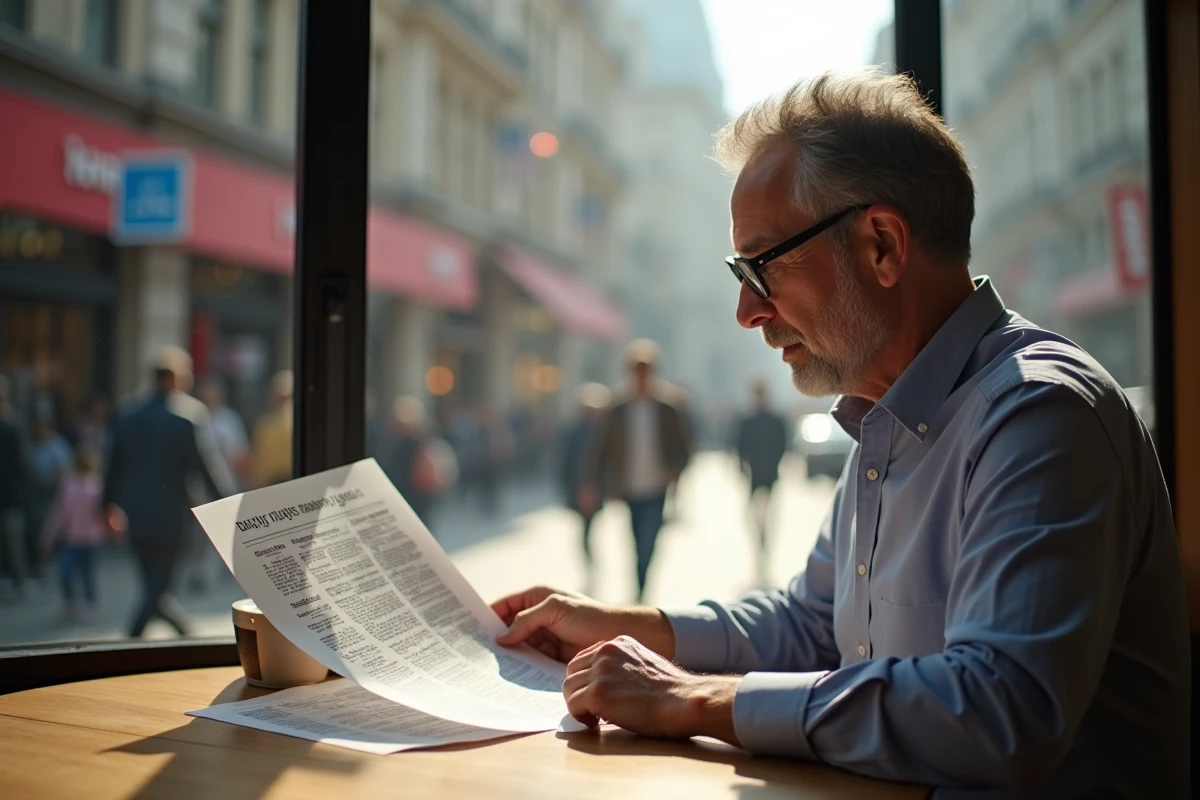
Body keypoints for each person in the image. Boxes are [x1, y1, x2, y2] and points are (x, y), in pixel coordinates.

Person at [491, 70, 1190, 797]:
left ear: (882, 245)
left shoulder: (1038, 414)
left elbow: (999, 710)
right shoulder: (890, 417)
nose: (747, 311)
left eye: (763, 265)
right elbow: (814, 626)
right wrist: (619, 626)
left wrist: (687, 698)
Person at [104, 347, 235, 637]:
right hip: (172, 516)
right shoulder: (188, 416)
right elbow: (206, 467)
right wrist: (228, 506)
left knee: (155, 584)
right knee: (159, 584)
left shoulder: (127, 415)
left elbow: (112, 466)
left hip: (135, 514)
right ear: (177, 378)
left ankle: (184, 634)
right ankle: (133, 638)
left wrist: (107, 506)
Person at [578, 340, 692, 603]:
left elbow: (684, 448)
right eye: (636, 372)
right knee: (633, 541)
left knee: (648, 542)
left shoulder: (667, 410)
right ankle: (638, 588)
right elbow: (599, 450)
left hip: (656, 488)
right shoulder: (617, 409)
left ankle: (643, 587)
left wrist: (674, 471)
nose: (641, 378)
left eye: (646, 372)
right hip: (629, 488)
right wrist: (589, 484)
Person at [39, 444, 107, 621]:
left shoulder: (96, 486)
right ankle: (71, 603)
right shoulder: (69, 486)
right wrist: (48, 535)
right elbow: (60, 512)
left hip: (90, 539)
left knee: (87, 574)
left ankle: (89, 602)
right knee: (66, 571)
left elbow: (103, 513)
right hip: (72, 538)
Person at [559, 383, 612, 590]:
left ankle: (590, 557)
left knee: (588, 528)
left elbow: (607, 464)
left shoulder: (602, 431)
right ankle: (589, 557)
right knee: (585, 528)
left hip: (594, 487)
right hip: (579, 487)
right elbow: (566, 461)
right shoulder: (575, 431)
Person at [735, 378, 788, 583]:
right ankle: (760, 540)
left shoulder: (775, 419)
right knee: (753, 514)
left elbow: (782, 445)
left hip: (769, 473)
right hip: (755, 474)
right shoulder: (749, 420)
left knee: (766, 513)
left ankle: (764, 541)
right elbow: (741, 445)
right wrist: (741, 465)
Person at [26, 412, 73, 583]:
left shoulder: (57, 445)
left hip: (54, 492)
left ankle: (52, 560)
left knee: (51, 524)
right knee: (38, 525)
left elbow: (65, 468)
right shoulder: (33, 445)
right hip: (36, 491)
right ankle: (41, 561)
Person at [0, 375, 29, 599]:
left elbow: (21, 465)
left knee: (14, 542)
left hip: (10, 497)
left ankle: (18, 581)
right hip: (11, 495)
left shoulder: (13, 427)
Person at [250, 370, 294, 489]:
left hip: (289, 482)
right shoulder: (265, 423)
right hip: (270, 484)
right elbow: (259, 460)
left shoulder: (292, 422)